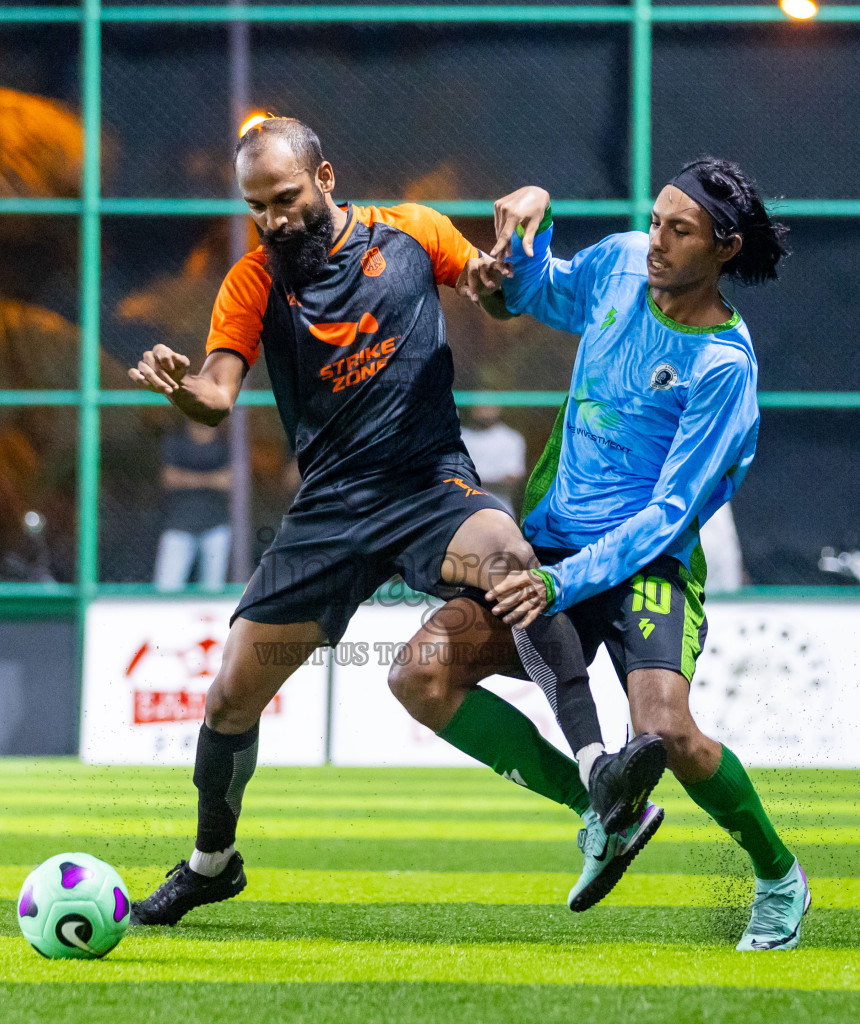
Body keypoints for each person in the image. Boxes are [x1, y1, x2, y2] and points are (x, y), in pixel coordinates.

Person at [125, 118, 663, 926]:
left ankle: (598, 770)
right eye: (257, 207)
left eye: (285, 198)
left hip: (428, 486)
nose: (274, 219)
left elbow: (490, 287)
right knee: (231, 700)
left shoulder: (411, 231)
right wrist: (180, 387)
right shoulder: (252, 282)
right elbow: (216, 395)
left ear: (326, 179)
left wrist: (506, 253)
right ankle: (212, 862)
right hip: (331, 513)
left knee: (512, 559)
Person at [399, 157, 810, 949]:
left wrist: (560, 584)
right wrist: (530, 223)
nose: (655, 242)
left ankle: (776, 874)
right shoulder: (622, 261)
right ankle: (597, 804)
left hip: (643, 562)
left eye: (678, 231)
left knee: (666, 729)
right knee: (419, 674)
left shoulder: (724, 367)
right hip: (553, 539)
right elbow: (532, 294)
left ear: (724, 249)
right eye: (656, 220)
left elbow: (670, 513)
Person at [155, 420, 233, 592]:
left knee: (213, 589)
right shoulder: (175, 442)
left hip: (215, 525)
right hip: (179, 524)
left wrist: (187, 479)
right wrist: (209, 479)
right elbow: (169, 477)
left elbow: (228, 480)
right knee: (166, 588)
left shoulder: (225, 444)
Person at [460, 405, 527, 512]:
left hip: (499, 509)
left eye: (488, 406)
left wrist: (469, 480)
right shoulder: (460, 437)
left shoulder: (511, 438)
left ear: (498, 408)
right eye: (480, 406)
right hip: (463, 511)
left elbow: (512, 479)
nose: (484, 411)